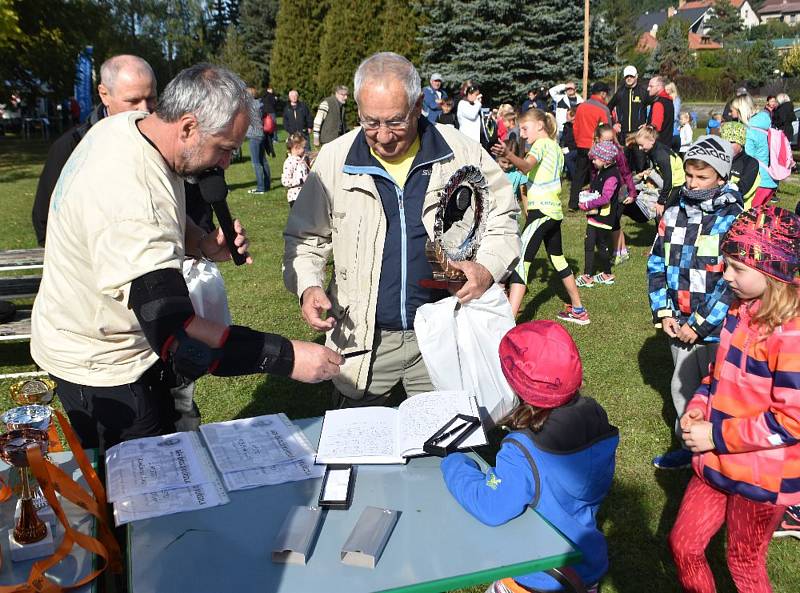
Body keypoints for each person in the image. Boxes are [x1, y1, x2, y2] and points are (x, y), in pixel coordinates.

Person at [30, 64, 343, 450]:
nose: (227, 163)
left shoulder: (134, 125)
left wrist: (200, 243)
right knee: (140, 485)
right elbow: (178, 336)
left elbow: (163, 214)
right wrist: (288, 357)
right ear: (188, 127)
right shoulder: (132, 197)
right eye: (225, 149)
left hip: (115, 338)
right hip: (102, 365)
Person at [283, 52, 519, 407]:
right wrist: (309, 285)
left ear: (418, 106)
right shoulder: (334, 160)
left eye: (395, 122)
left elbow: (503, 214)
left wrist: (486, 267)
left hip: (442, 333)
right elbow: (305, 237)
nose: (383, 136)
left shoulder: (459, 151)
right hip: (365, 341)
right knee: (361, 450)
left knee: (443, 449)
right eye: (370, 122)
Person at [670, 205, 800, 591]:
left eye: (737, 268)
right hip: (716, 461)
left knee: (743, 561)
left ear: (774, 271)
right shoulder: (738, 309)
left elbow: (792, 421)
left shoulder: (791, 335)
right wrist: (697, 408)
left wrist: (717, 436)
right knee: (684, 544)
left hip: (762, 476)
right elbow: (717, 373)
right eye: (726, 264)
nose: (725, 276)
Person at [441, 320, 619, 593]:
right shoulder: (595, 416)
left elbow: (492, 506)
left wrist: (454, 462)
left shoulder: (522, 449)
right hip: (585, 564)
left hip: (538, 573)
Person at [647, 135, 743, 470]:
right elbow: (656, 263)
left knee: (721, 393)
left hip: (716, 329)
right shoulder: (673, 213)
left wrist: (699, 325)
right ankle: (691, 450)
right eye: (689, 175)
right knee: (683, 388)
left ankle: (723, 456)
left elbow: (731, 283)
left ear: (721, 176)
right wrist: (664, 312)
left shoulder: (733, 219)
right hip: (678, 323)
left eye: (702, 177)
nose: (693, 183)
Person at [32, 54, 157, 247]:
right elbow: (45, 222)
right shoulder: (72, 147)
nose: (145, 110)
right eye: (133, 101)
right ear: (104, 94)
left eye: (151, 98)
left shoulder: (162, 141)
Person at [492, 109, 588, 324]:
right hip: (553, 212)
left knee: (521, 262)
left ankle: (507, 323)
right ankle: (579, 310)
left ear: (540, 126)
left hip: (542, 212)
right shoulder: (555, 148)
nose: (523, 134)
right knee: (558, 259)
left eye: (525, 129)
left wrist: (508, 155)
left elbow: (526, 167)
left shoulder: (542, 145)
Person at [591, 124, 637, 266]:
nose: (609, 144)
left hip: (619, 192)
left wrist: (632, 192)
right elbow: (593, 174)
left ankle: (619, 252)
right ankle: (621, 251)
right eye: (605, 141)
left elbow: (626, 173)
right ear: (597, 139)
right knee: (614, 223)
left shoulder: (617, 152)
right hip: (605, 192)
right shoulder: (594, 154)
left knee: (613, 222)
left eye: (611, 140)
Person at [576, 140, 620, 288]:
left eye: (595, 158)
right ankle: (588, 274)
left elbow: (606, 197)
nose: (593, 161)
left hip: (604, 218)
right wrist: (587, 193)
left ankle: (607, 273)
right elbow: (597, 190)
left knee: (601, 246)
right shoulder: (601, 171)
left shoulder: (612, 175)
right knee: (589, 243)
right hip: (594, 216)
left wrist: (588, 203)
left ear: (605, 159)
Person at [568, 81, 612, 211]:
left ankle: (573, 203)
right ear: (603, 93)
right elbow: (606, 130)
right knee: (596, 175)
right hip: (595, 146)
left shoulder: (581, 106)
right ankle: (594, 202)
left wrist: (578, 141)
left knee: (579, 175)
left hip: (581, 145)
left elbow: (575, 127)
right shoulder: (603, 109)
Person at [730, 95, 777, 206]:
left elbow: (747, 159)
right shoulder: (762, 125)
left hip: (758, 180)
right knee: (756, 217)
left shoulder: (749, 131)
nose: (730, 113)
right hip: (768, 179)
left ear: (740, 110)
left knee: (747, 217)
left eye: (732, 110)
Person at [635, 125, 686, 218]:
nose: (639, 148)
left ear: (652, 141)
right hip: (669, 182)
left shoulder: (661, 156)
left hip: (676, 184)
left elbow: (668, 181)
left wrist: (661, 201)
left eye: (641, 145)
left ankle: (664, 230)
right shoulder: (652, 149)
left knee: (662, 211)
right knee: (660, 210)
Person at [608, 65, 649, 172]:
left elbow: (654, 107)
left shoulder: (643, 92)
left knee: (641, 164)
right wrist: (614, 124)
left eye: (631, 76)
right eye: (627, 77)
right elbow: (608, 108)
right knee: (624, 164)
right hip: (623, 134)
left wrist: (648, 124)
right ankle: (625, 186)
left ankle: (641, 187)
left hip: (639, 133)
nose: (629, 78)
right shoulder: (620, 93)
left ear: (636, 76)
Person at [720, 121, 760, 209]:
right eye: (724, 141)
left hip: (739, 212)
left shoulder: (750, 163)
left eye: (732, 142)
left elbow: (744, 192)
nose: (727, 145)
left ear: (741, 142)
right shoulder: (718, 160)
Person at [245, 87, 270, 195]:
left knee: (256, 163)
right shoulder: (259, 104)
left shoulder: (250, 107)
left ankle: (260, 187)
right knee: (263, 161)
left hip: (254, 136)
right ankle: (267, 184)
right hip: (261, 134)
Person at [281, 132, 309, 208]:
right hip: (295, 197)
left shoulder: (303, 159)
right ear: (297, 148)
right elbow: (285, 181)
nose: (305, 149)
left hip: (305, 195)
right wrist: (300, 180)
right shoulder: (289, 162)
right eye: (304, 147)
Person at [646, 76, 674, 147]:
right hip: (667, 144)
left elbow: (655, 127)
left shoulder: (658, 103)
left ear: (659, 87)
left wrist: (646, 129)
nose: (648, 89)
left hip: (658, 146)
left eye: (651, 86)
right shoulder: (669, 101)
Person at [560, 108, 577, 180]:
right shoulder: (567, 126)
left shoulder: (579, 126)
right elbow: (563, 139)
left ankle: (575, 178)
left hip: (577, 149)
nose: (567, 116)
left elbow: (577, 142)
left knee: (567, 157)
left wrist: (567, 149)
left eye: (569, 115)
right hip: (567, 148)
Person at [666, 82, 682, 152]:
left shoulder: (676, 100)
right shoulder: (664, 99)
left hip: (673, 131)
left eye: (667, 89)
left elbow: (675, 115)